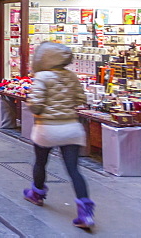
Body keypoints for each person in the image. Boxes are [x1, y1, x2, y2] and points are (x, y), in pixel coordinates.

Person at [23, 42, 94, 230]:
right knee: (74, 170)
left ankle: (37, 193)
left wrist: (39, 109)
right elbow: (81, 100)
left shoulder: (42, 77)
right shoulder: (71, 76)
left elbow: (35, 104)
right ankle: (85, 212)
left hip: (47, 128)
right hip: (71, 128)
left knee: (40, 162)